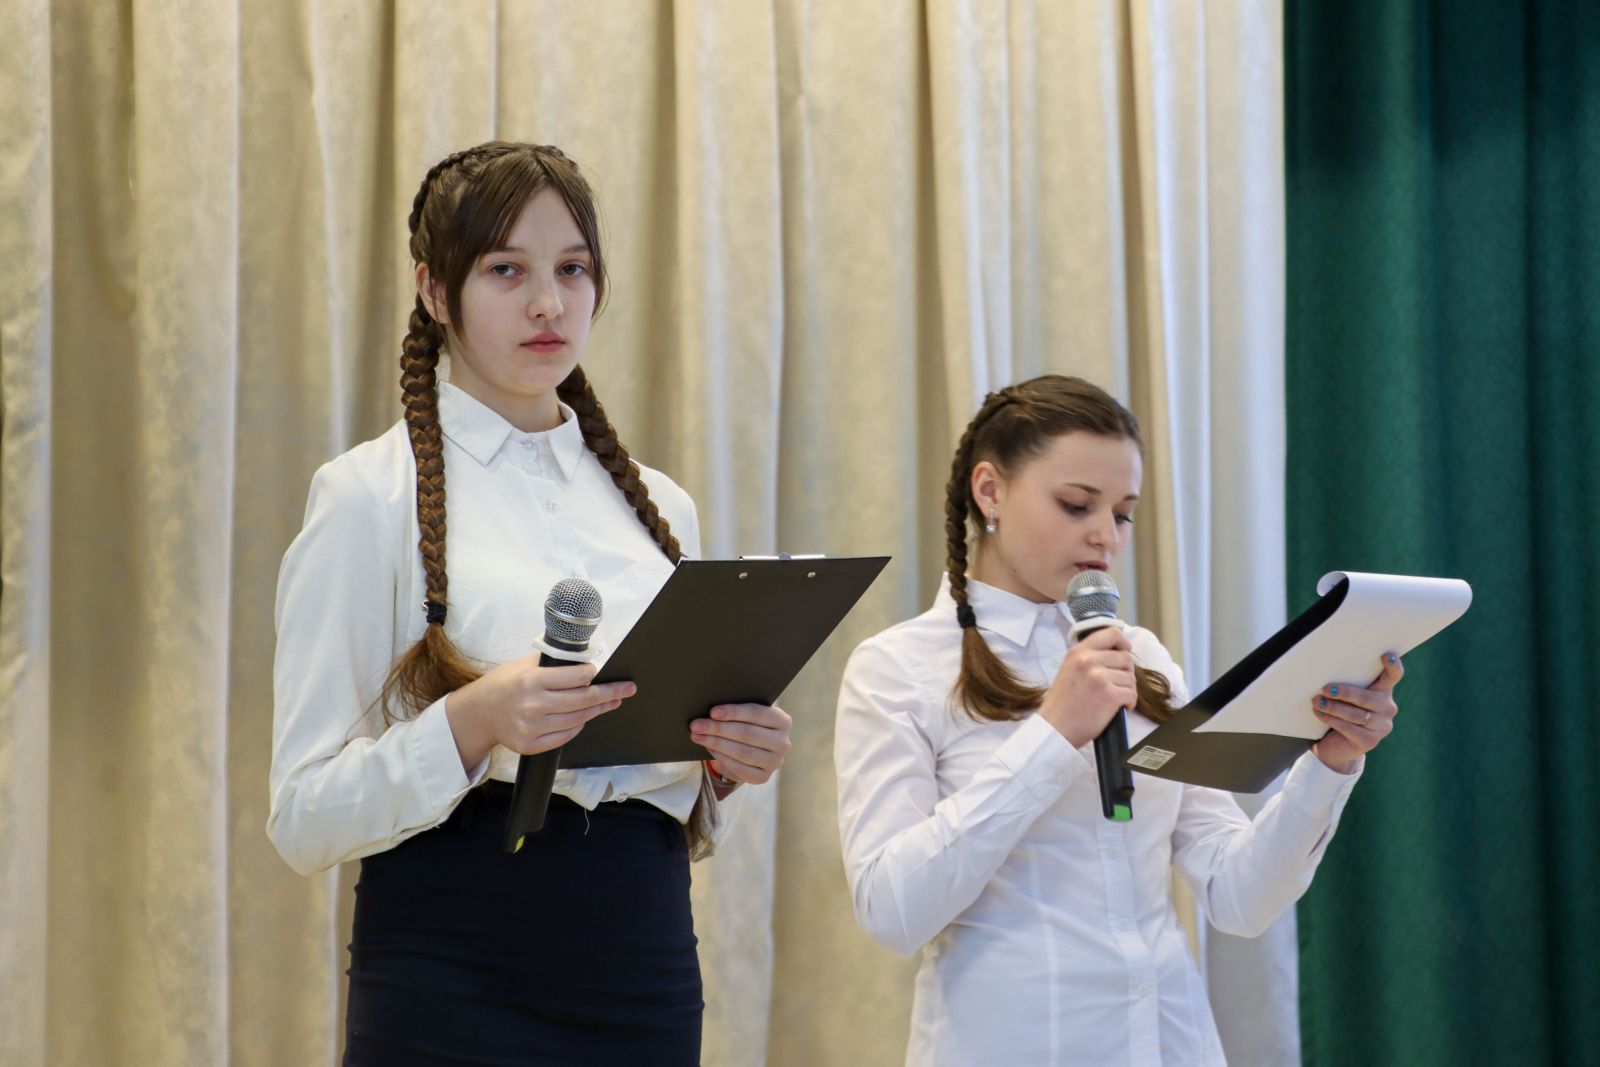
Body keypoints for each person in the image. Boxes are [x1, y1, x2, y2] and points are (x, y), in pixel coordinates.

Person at [268, 141, 792, 1065]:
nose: (549, 303)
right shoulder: (366, 496)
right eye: (507, 270)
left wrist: (725, 762)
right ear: (435, 292)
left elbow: (666, 789)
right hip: (451, 966)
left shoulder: (662, 507)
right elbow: (303, 816)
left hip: (644, 963)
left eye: (573, 269)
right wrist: (473, 720)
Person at [833, 374, 1402, 1066]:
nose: (1105, 535)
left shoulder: (1145, 657)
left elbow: (1241, 897)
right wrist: (1052, 734)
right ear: (990, 491)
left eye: (1124, 514)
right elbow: (892, 913)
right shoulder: (897, 666)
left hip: (1173, 1042)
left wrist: (1328, 765)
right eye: (1076, 505)